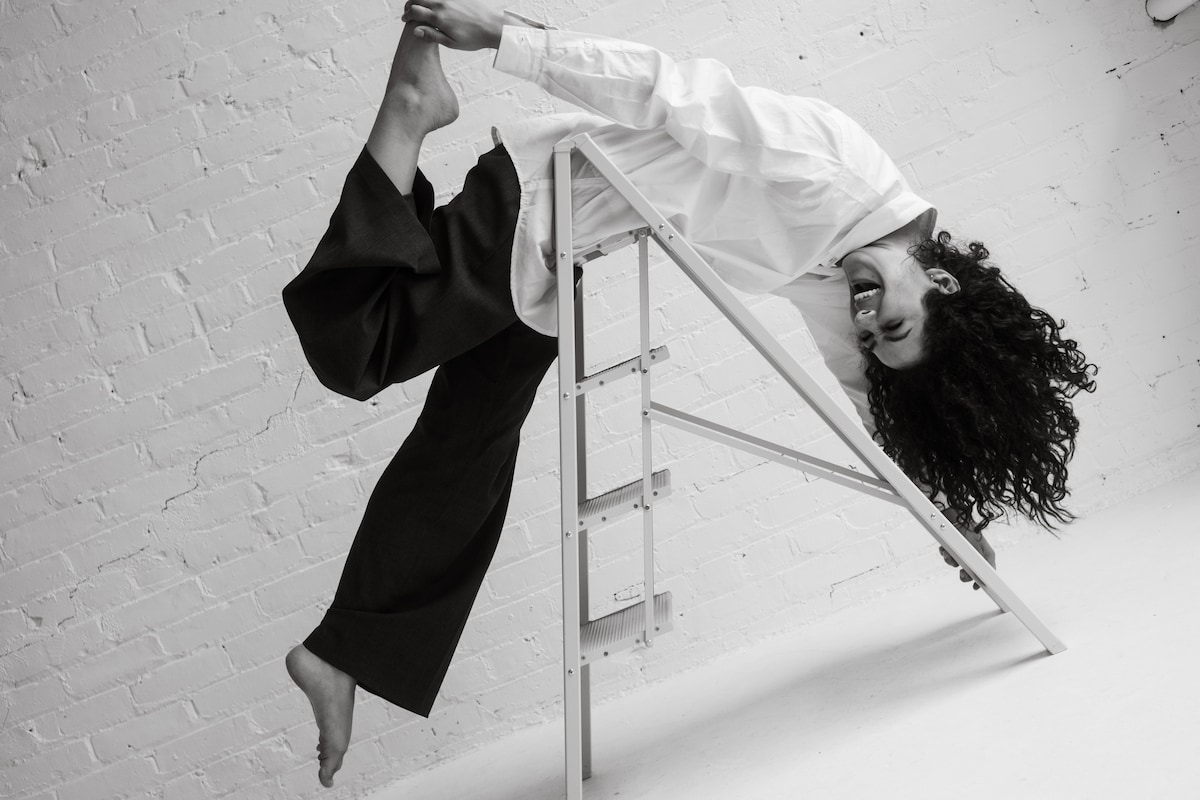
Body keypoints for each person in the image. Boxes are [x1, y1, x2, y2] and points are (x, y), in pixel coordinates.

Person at [281, 3, 1097, 787]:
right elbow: (668, 87)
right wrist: (507, 36)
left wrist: (946, 516)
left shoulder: (857, 268)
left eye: (877, 338)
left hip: (568, 241)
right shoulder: (833, 178)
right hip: (543, 196)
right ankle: (411, 102)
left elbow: (864, 399)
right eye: (889, 321)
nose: (865, 321)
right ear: (943, 282)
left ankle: (340, 653)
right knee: (356, 346)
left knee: (467, 446)